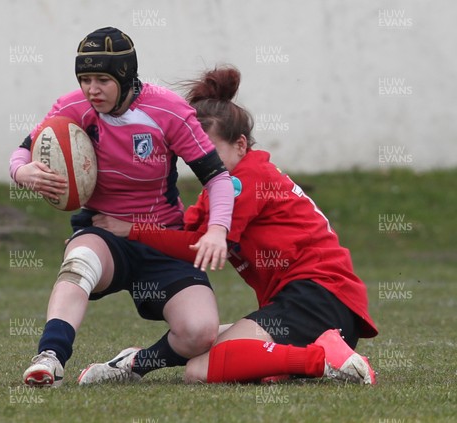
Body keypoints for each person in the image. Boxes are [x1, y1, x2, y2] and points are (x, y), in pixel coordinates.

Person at [79, 66, 378, 385]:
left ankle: (323, 360)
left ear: (240, 145)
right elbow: (185, 235)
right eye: (194, 153)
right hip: (319, 305)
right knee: (207, 346)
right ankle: (133, 363)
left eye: (211, 152)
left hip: (316, 299)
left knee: (200, 370)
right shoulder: (224, 188)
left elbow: (199, 248)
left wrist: (132, 230)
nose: (202, 162)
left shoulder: (244, 181)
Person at [9, 27, 235, 387]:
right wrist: (24, 171)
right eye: (85, 79)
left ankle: (131, 364)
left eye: (102, 79)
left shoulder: (168, 111)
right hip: (103, 233)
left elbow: (218, 179)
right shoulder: (73, 107)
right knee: (80, 260)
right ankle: (50, 357)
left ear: (126, 76)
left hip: (162, 239)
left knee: (199, 332)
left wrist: (217, 230)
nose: (92, 89)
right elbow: (23, 150)